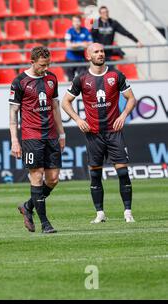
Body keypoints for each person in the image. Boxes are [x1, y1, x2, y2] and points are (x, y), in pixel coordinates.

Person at [62, 43, 137, 223]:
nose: (100, 54)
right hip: (93, 134)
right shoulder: (81, 79)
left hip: (114, 132)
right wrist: (79, 120)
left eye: (102, 51)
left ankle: (127, 212)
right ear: (89, 56)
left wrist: (124, 115)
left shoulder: (116, 75)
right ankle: (100, 214)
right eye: (96, 51)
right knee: (95, 175)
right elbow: (65, 102)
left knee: (123, 173)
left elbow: (131, 98)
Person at [9, 46, 65, 234]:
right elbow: (13, 113)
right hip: (31, 136)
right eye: (42, 65)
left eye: (48, 64)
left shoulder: (52, 78)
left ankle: (27, 206)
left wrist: (62, 134)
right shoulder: (19, 82)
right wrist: (15, 141)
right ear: (32, 62)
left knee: (53, 179)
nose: (46, 68)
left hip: (51, 135)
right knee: (37, 176)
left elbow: (56, 107)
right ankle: (45, 223)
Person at [64, 15, 92, 81]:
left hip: (81, 58)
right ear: (72, 22)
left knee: (83, 79)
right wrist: (81, 44)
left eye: (78, 21)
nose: (76, 23)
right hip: (70, 58)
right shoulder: (69, 31)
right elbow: (68, 45)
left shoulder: (85, 30)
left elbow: (90, 44)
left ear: (81, 22)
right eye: (75, 21)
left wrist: (74, 44)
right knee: (71, 81)